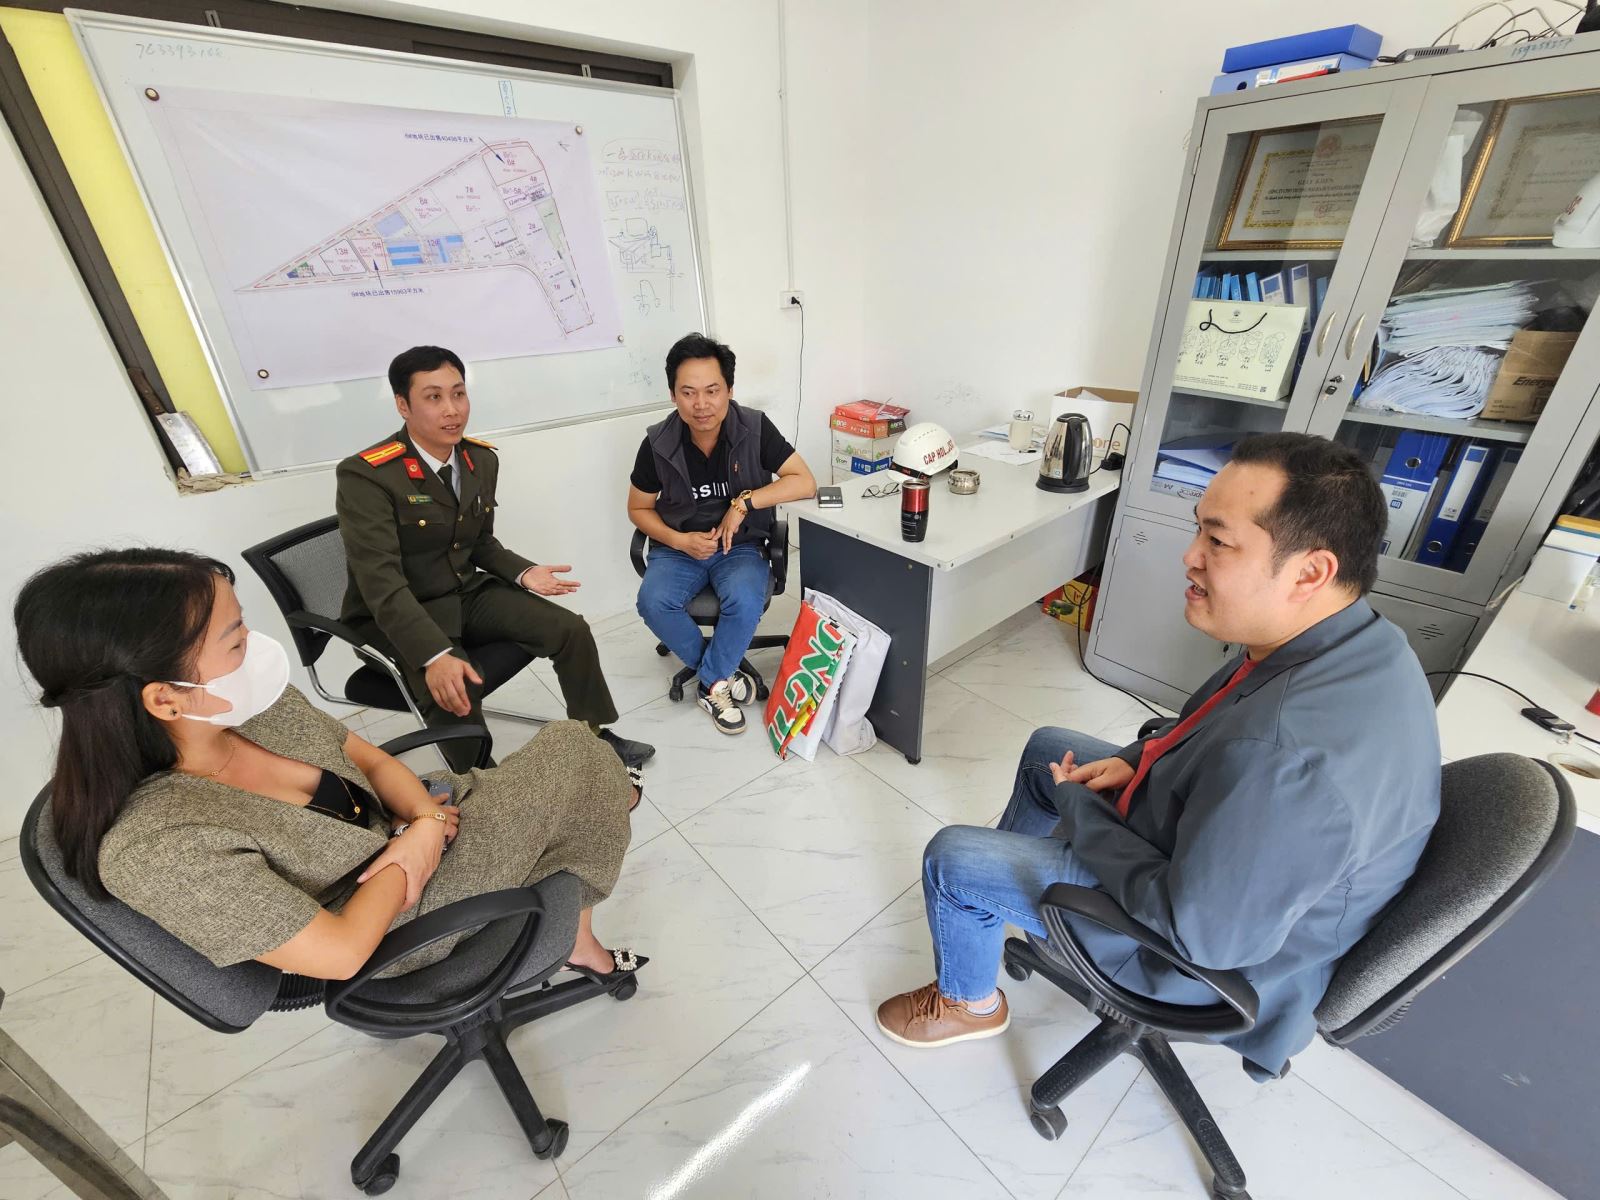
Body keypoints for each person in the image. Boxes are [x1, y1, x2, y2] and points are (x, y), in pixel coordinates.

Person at [875, 433, 1441, 1080]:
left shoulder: (1287, 762)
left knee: (953, 858)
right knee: (1046, 753)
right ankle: (1002, 900)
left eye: (1218, 541)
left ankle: (968, 1000)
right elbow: (1222, 723)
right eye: (1199, 530)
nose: (1190, 556)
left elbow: (1197, 933)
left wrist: (1084, 815)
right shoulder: (1349, 640)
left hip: (1192, 958)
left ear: (1310, 572)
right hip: (1216, 856)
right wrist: (1145, 755)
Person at [15, 548, 643, 985]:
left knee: (580, 768)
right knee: (580, 757)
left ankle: (577, 926)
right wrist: (419, 842)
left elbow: (363, 755)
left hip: (410, 827)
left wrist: (422, 817)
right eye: (235, 640)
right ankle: (582, 924)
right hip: (392, 925)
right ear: (164, 697)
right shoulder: (157, 847)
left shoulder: (250, 707)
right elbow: (340, 953)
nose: (256, 649)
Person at [336, 345, 653, 773]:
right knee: (457, 683)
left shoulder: (479, 459)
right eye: (433, 397)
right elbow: (381, 583)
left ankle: (594, 735)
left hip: (463, 593)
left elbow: (479, 542)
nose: (452, 410)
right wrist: (434, 655)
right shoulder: (366, 474)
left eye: (458, 393)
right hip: (397, 612)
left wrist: (523, 573)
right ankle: (483, 784)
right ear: (403, 405)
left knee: (569, 630)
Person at [627, 333, 816, 734]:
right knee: (652, 602)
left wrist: (743, 503)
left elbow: (804, 481)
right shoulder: (657, 443)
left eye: (712, 390)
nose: (701, 404)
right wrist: (680, 541)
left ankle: (711, 682)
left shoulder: (755, 428)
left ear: (729, 389)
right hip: (679, 548)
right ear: (673, 395)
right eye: (688, 392)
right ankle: (722, 676)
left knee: (745, 600)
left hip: (740, 545)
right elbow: (638, 508)